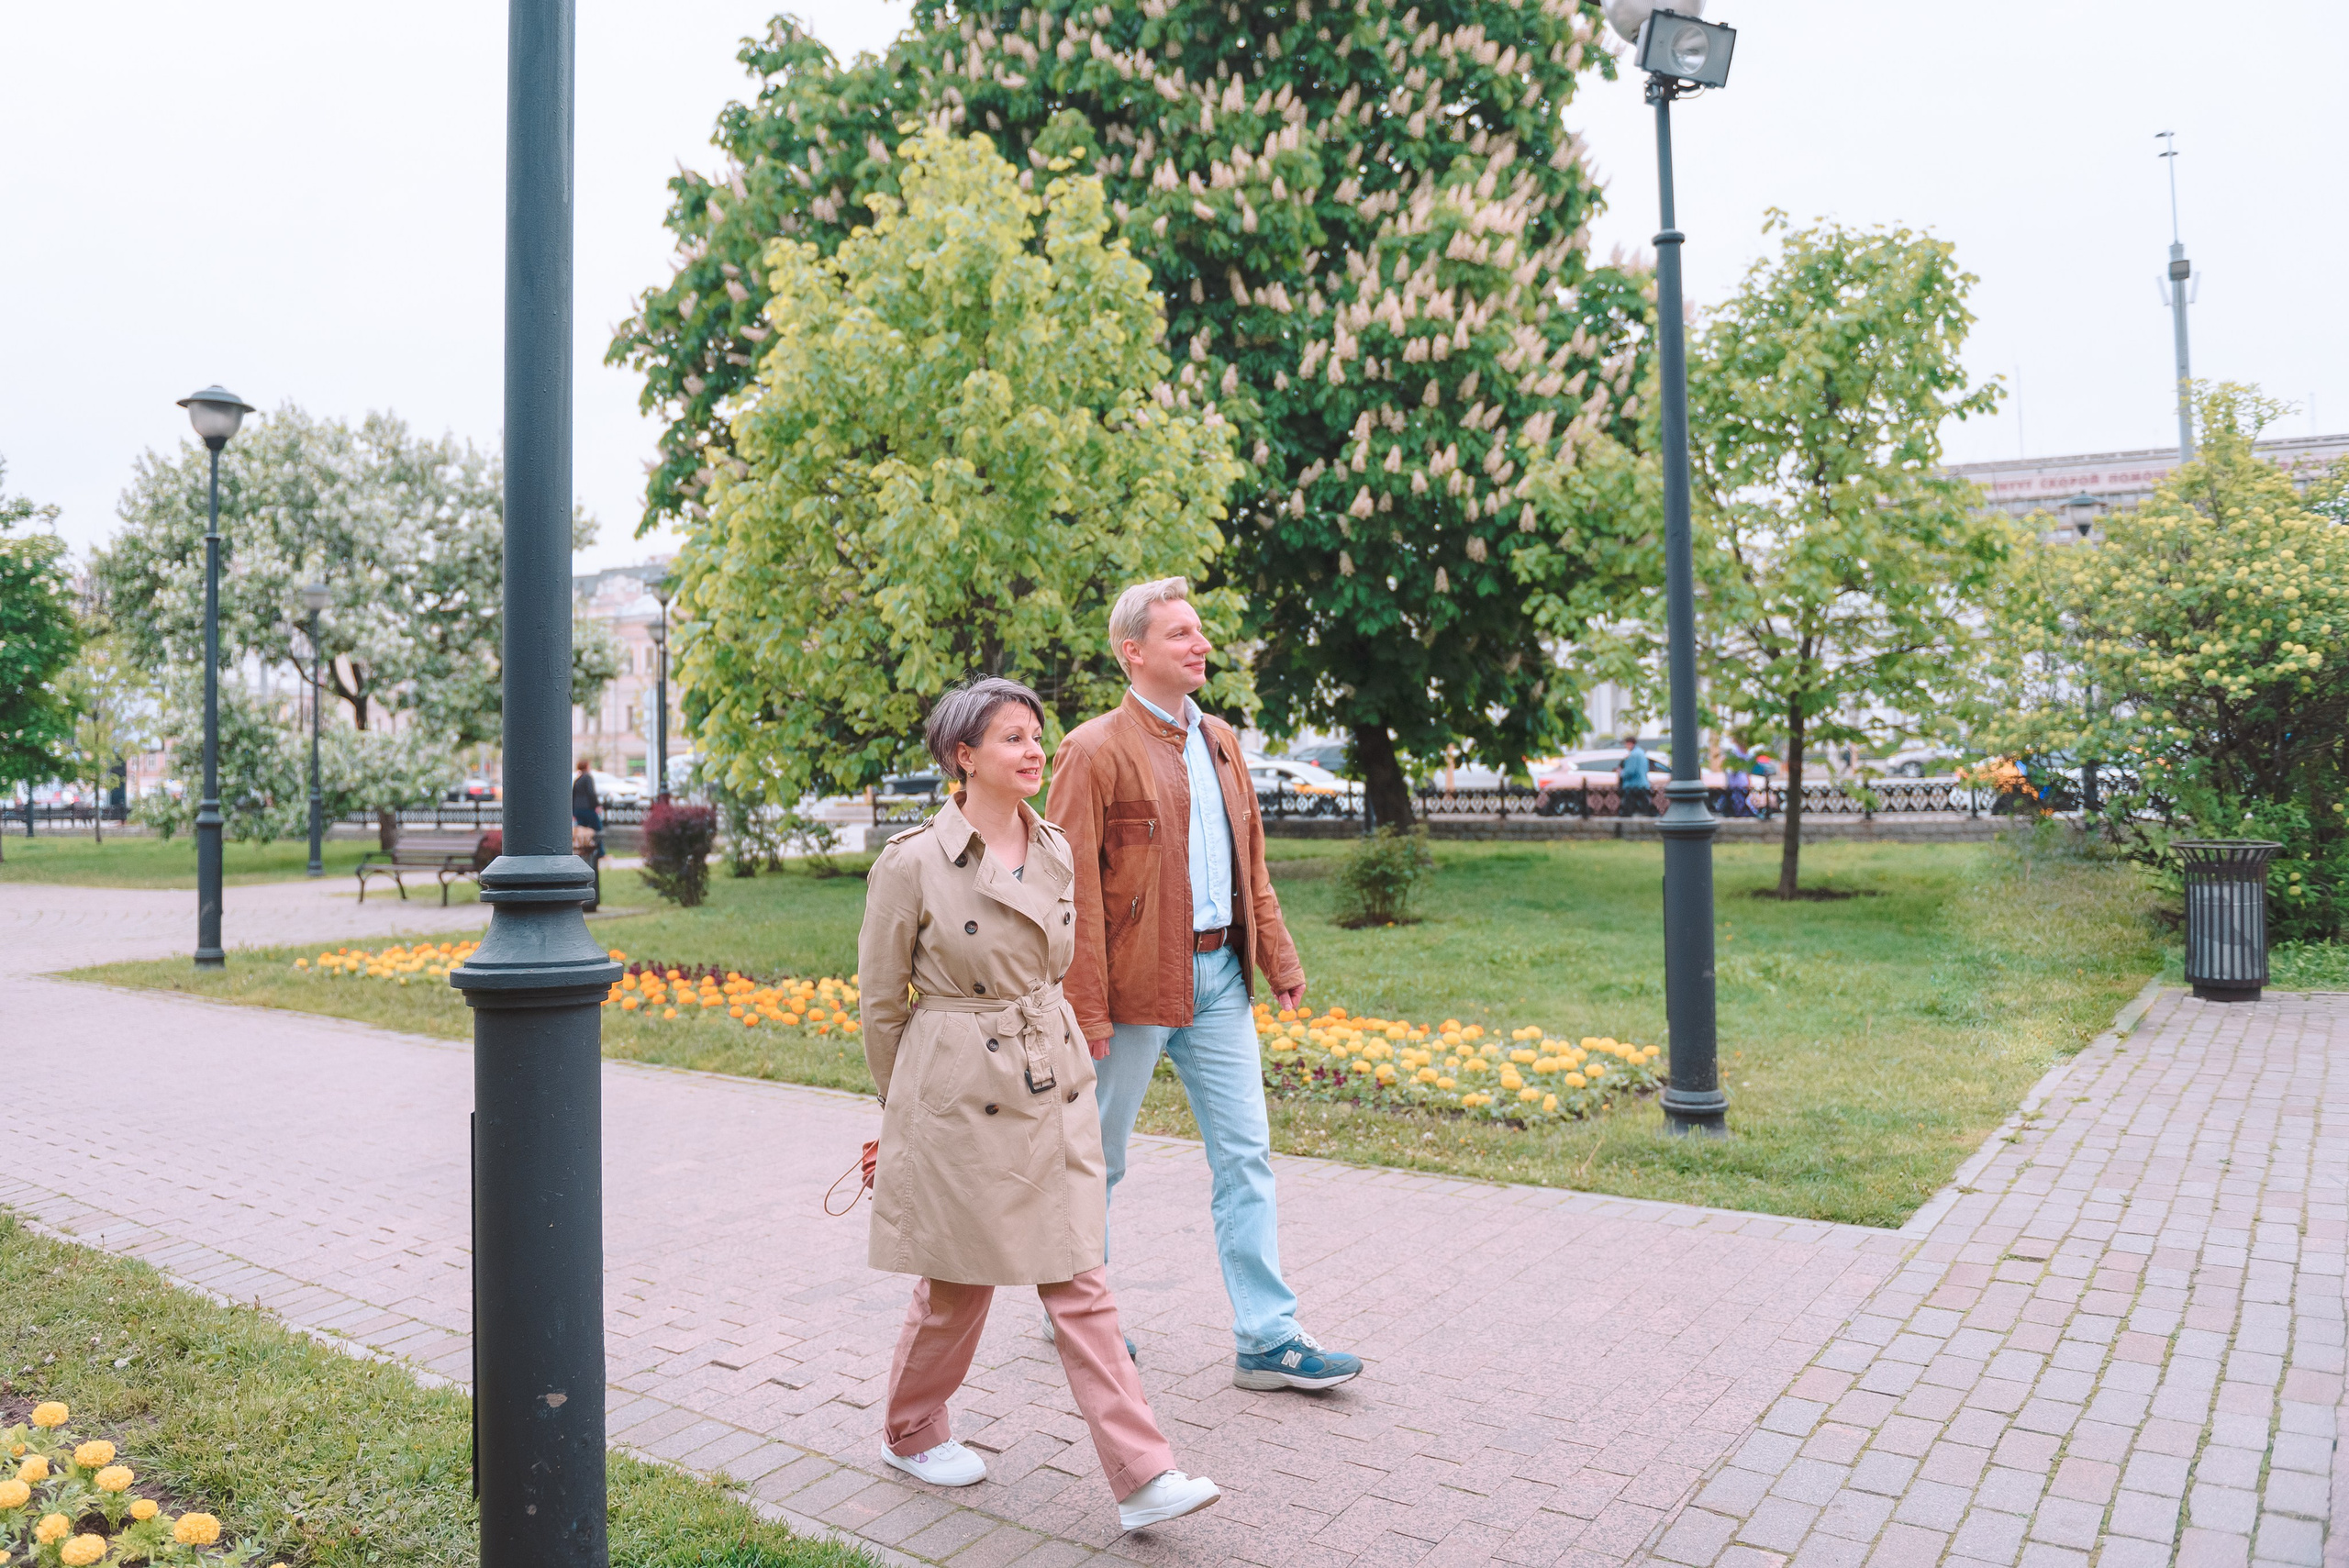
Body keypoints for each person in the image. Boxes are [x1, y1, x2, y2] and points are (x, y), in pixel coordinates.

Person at [857, 677, 1219, 1531]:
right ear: (963, 756)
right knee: (958, 1284)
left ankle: (1143, 1474)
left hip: (1046, 1074)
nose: (1032, 751)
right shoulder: (912, 861)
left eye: (1036, 735)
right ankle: (910, 1431)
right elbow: (881, 1005)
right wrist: (906, 1108)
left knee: (1079, 1277)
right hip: (954, 1087)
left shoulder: (1054, 844)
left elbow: (1060, 962)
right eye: (1013, 737)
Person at [1048, 578, 1364, 1392]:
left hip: (1221, 976)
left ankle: (1267, 1336)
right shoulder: (1092, 749)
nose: (1200, 644)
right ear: (1134, 651)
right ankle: (1080, 1315)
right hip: (1129, 989)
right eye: (1181, 632)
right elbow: (1071, 888)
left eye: (1200, 631)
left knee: (1246, 1156)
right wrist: (1085, 1007)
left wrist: (1279, 957)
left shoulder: (1220, 738)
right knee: (1099, 1160)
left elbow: (1247, 859)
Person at [1618, 737, 1652, 817]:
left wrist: (1621, 772)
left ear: (1630, 743)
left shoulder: (1633, 755)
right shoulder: (1641, 753)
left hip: (1633, 785)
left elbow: (1630, 771)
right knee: (1644, 807)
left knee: (1628, 809)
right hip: (1643, 783)